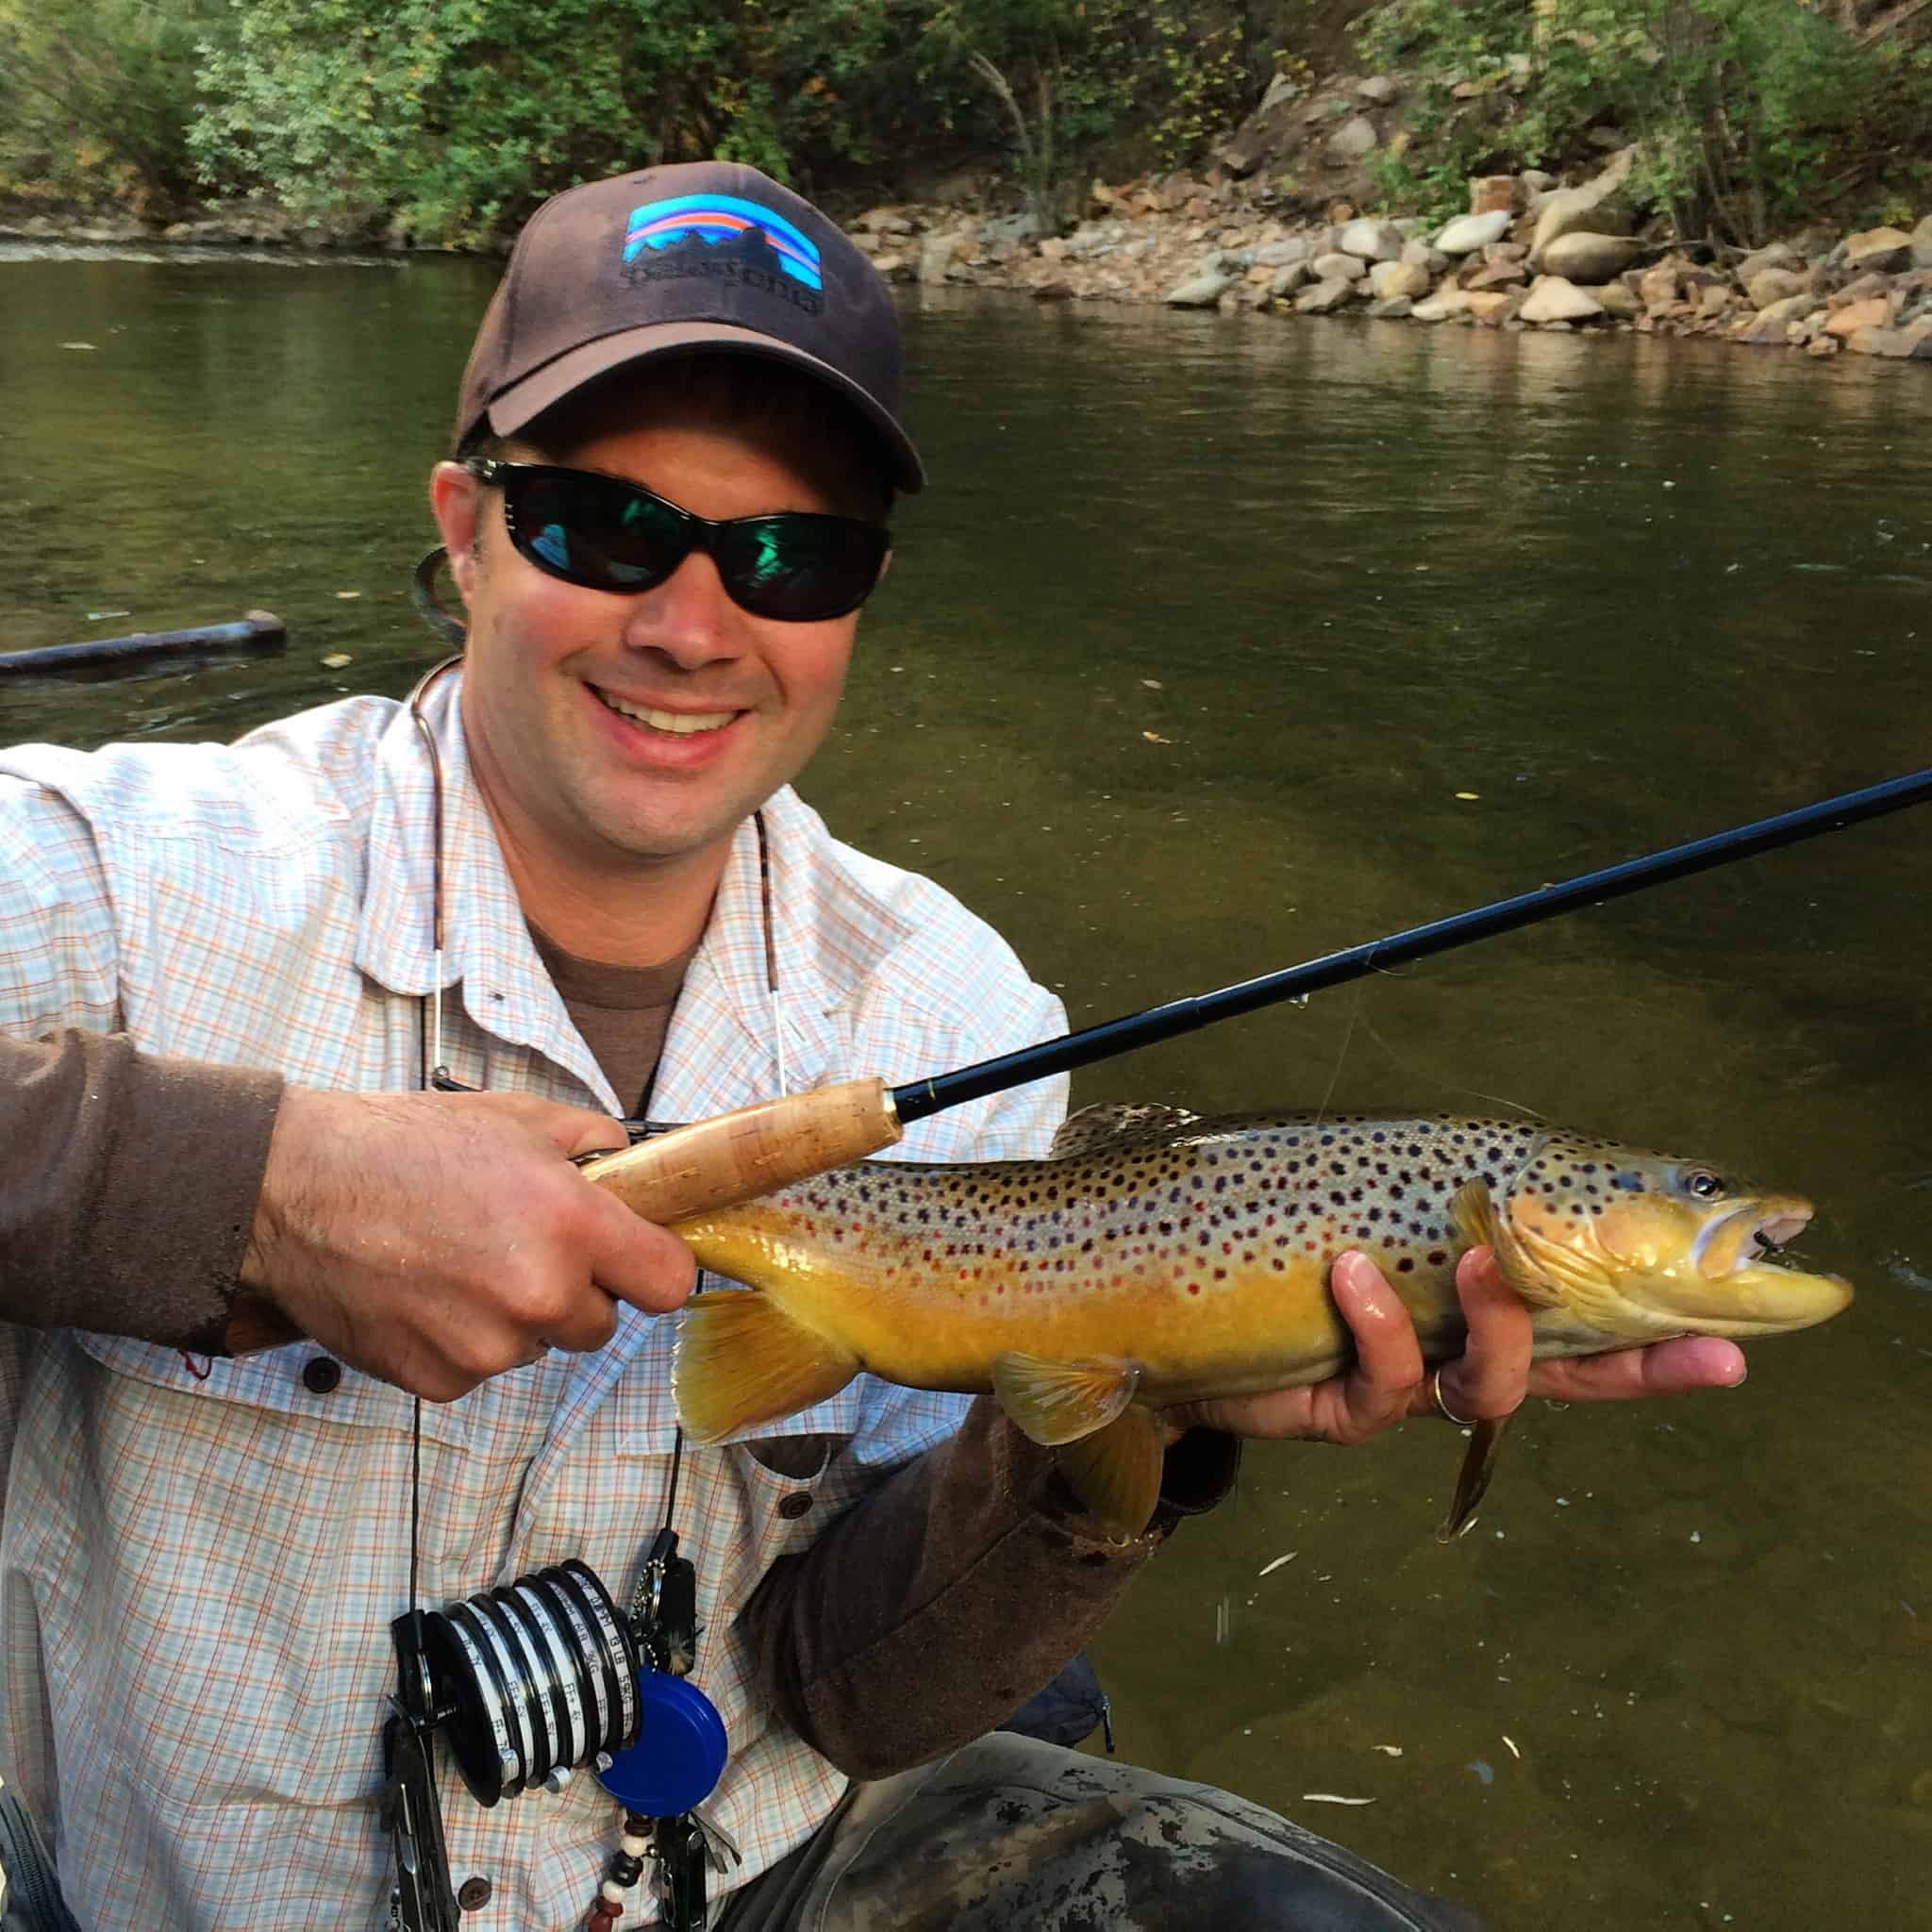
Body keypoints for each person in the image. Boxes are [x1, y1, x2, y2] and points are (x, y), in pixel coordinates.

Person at [0, 161, 1745, 1932]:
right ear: (461, 525)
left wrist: (1133, 1425)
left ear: (862, 595)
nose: (693, 626)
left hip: (744, 1874)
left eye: (789, 555)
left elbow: (857, 1698)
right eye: (603, 526)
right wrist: (258, 1189)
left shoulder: (961, 1013)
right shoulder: (118, 880)